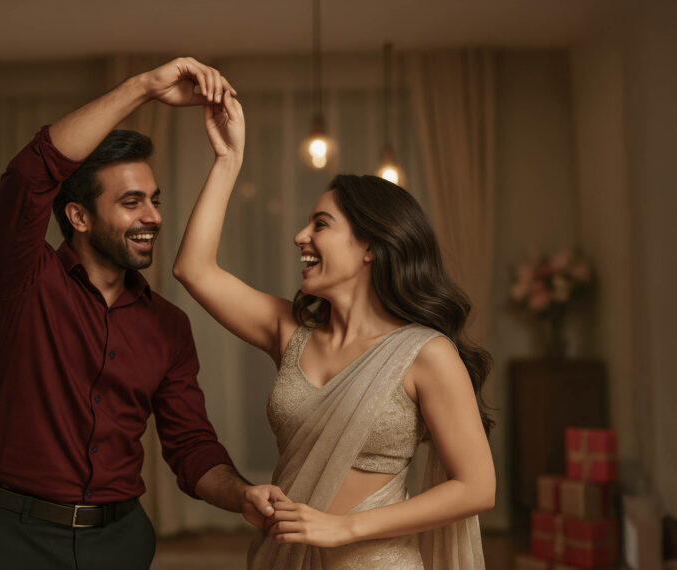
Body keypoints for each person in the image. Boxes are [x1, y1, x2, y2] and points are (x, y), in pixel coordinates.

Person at [0, 57, 287, 570]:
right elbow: (31, 173)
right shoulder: (19, 279)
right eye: (131, 202)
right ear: (79, 216)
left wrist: (242, 495)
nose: (153, 216)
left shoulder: (168, 326)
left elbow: (191, 446)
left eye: (154, 200)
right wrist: (146, 87)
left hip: (121, 543)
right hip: (10, 541)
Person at [172, 93, 496, 568]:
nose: (301, 237)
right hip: (285, 557)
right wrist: (227, 159)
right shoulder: (290, 331)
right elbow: (193, 269)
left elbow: (477, 487)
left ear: (370, 246)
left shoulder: (426, 353)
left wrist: (343, 527)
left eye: (320, 224)